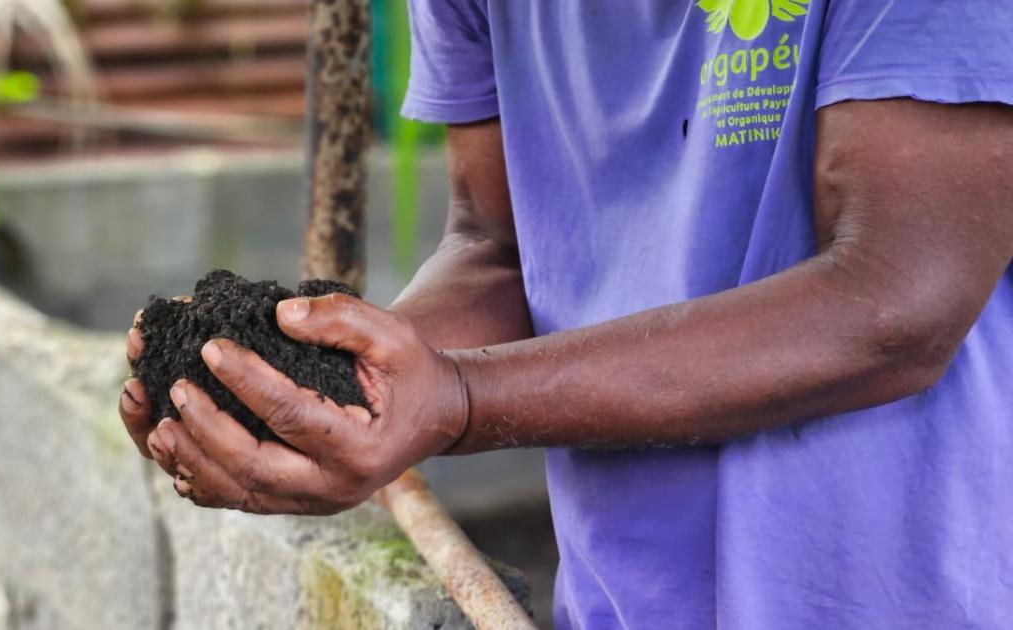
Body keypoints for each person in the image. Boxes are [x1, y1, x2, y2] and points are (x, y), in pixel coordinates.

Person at [120, 1, 1013, 627]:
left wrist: (458, 397)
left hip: (900, 595)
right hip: (621, 593)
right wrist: (336, 391)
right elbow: (495, 246)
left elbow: (895, 302)